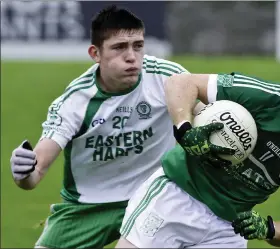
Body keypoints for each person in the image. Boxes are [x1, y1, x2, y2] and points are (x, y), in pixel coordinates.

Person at [9, 5, 191, 249]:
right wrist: (23, 172)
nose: (131, 57)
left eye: (138, 46)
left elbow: (207, 117)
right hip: (88, 207)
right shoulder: (74, 102)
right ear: (95, 53)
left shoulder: (167, 78)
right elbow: (36, 173)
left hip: (154, 197)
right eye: (119, 47)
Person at [115, 72, 280, 248]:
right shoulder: (264, 97)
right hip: (174, 197)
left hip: (227, 230)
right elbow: (180, 83)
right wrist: (185, 130)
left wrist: (268, 229)